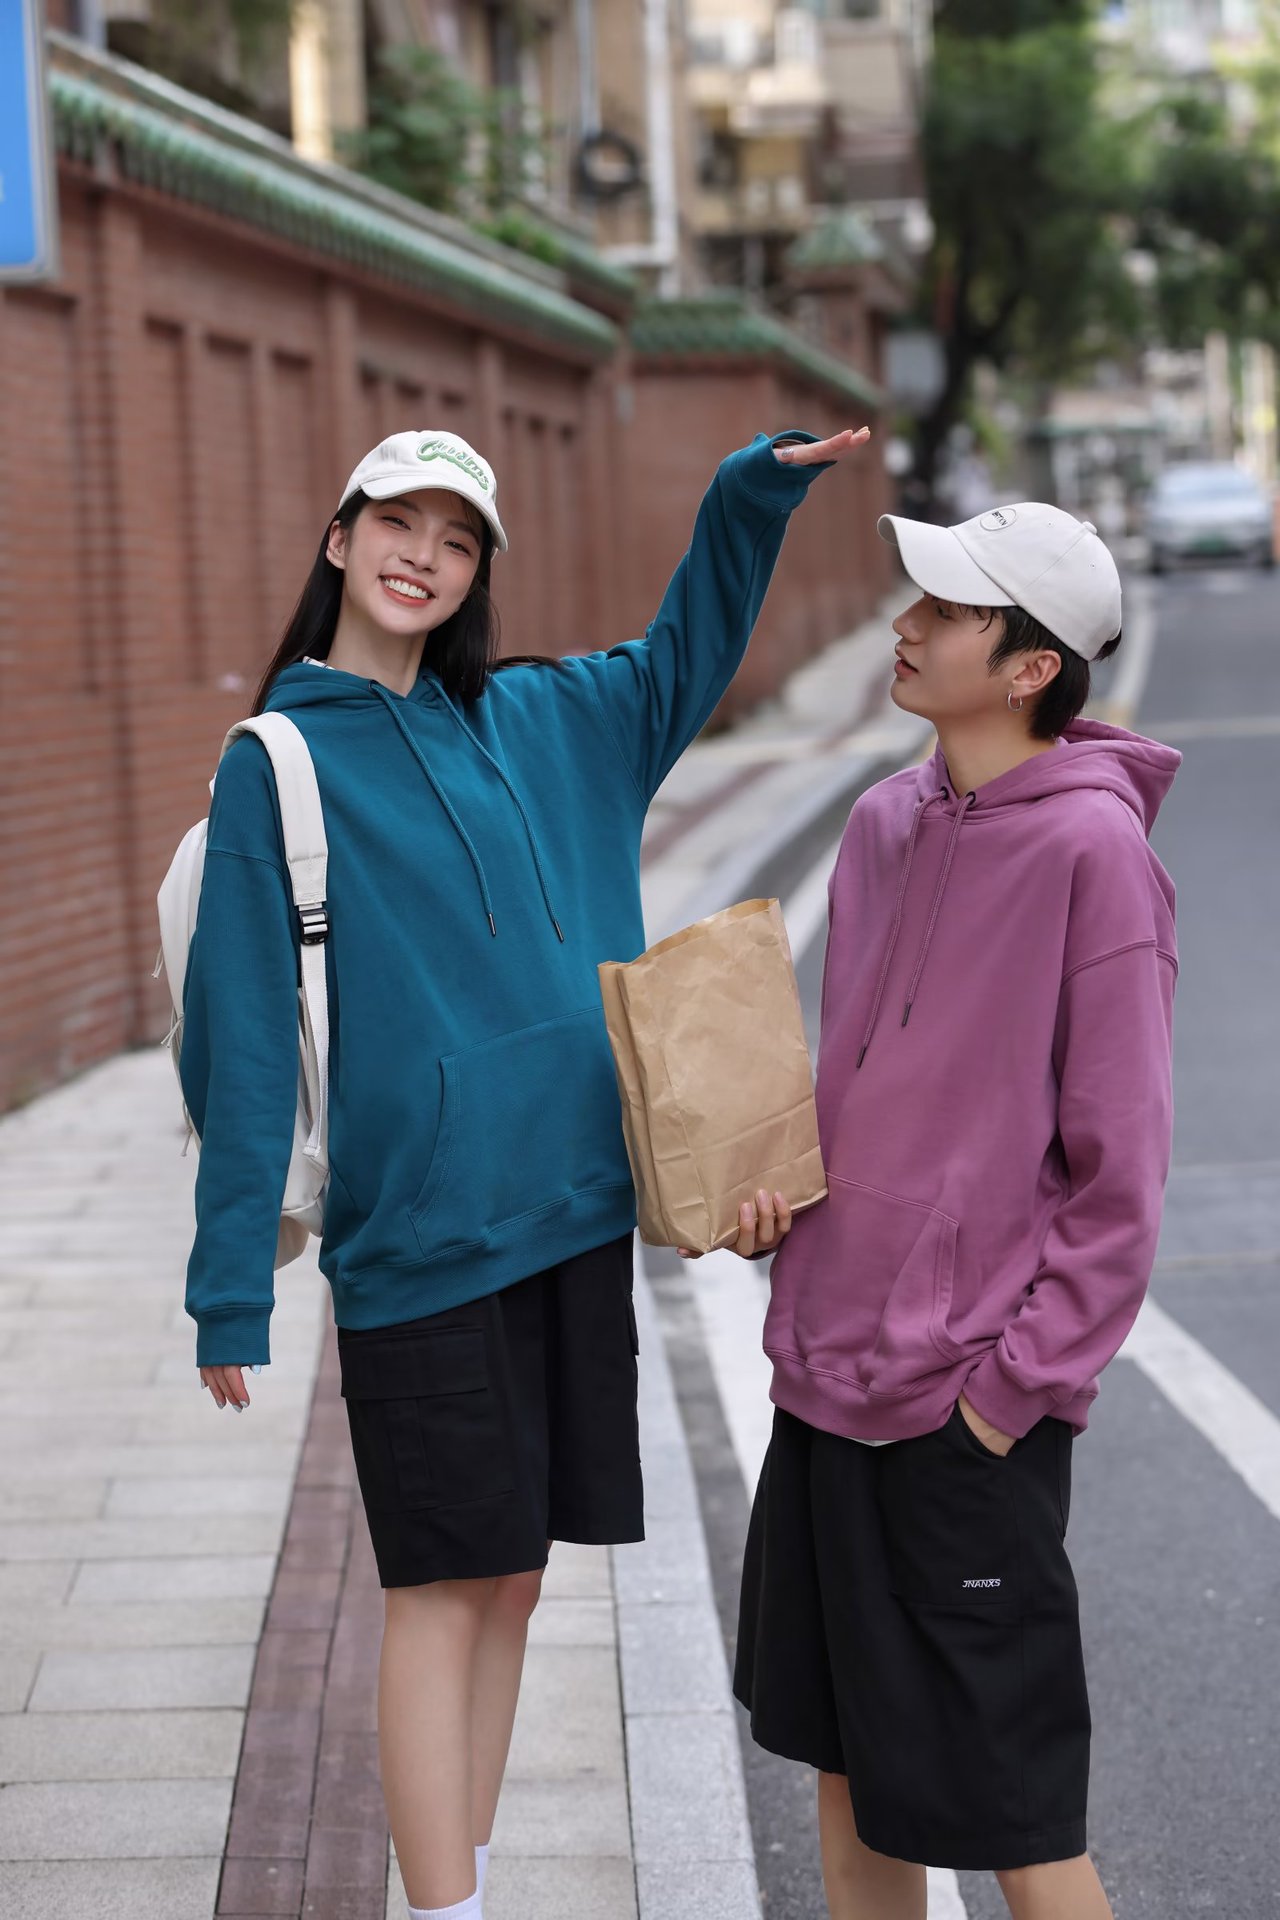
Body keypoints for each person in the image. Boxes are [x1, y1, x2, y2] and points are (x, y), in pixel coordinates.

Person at [182, 420, 867, 1920]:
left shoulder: (553, 719)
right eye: (397, 524)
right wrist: (230, 1282)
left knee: (512, 1576)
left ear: (477, 571)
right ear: (341, 541)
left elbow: (685, 656)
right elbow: (243, 1035)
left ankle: (469, 1878)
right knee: (438, 1588)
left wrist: (744, 500)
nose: (423, 556)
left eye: (458, 538)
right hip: (419, 1242)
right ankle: (446, 1911)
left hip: (573, 1222)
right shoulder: (278, 766)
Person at [732, 503, 1179, 1920]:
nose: (905, 627)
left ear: (1033, 666)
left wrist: (1008, 1395)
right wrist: (772, 1204)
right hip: (824, 1378)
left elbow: (1121, 1178)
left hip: (964, 1409)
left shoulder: (1096, 856)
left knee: (1015, 1822)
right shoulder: (882, 823)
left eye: (943, 610)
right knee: (848, 1773)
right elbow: (853, 1092)